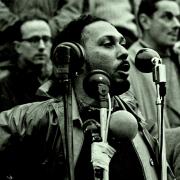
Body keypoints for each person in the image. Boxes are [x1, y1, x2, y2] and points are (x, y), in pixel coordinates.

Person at [0, 14, 174, 180]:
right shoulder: (39, 119)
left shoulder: (135, 118)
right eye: (108, 44)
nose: (124, 52)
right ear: (75, 57)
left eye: (122, 43)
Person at [127, 0, 180, 130]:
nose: (177, 24)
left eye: (178, 18)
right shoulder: (128, 65)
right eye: (167, 17)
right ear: (145, 21)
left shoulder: (176, 58)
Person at [0, 9, 53, 111]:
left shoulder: (61, 78)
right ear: (18, 47)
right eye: (34, 40)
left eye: (46, 39)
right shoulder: (4, 83)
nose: (42, 46)